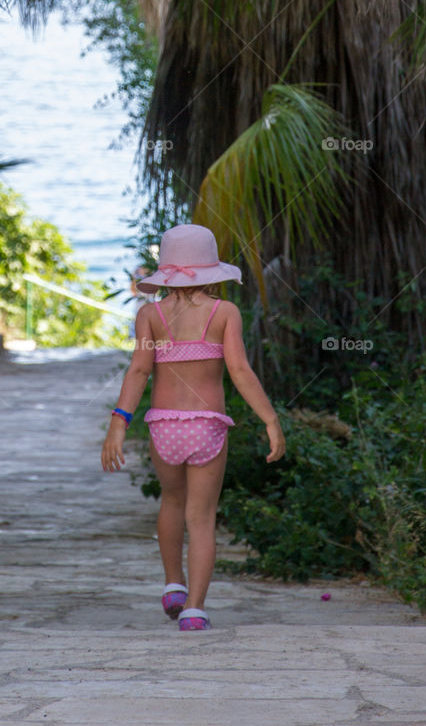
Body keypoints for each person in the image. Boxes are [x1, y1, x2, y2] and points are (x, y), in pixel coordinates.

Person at [101, 223, 285, 631]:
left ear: (165, 270)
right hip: (207, 427)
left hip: (163, 426)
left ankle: (172, 585)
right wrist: (270, 419)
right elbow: (239, 369)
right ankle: (195, 610)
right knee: (200, 518)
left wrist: (119, 423)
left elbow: (138, 371)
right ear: (211, 269)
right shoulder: (224, 314)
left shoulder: (150, 315)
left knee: (171, 502)